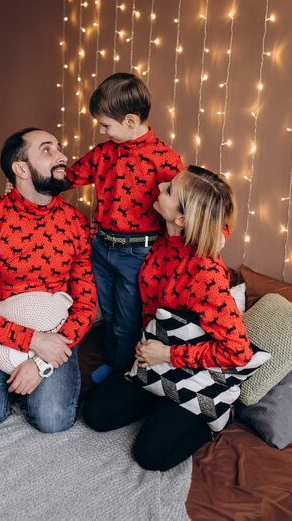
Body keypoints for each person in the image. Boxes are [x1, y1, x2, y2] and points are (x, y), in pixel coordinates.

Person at [83, 165, 253, 471]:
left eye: (169, 190)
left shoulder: (205, 276)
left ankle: (213, 418)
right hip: (153, 357)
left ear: (184, 219)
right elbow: (219, 223)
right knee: (96, 415)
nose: (160, 186)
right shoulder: (167, 233)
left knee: (150, 456)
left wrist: (169, 354)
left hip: (189, 365)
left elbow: (238, 352)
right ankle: (159, 395)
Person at [0, 128, 97, 435]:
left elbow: (86, 303)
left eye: (59, 148)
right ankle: (9, 384)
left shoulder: (76, 223)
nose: (62, 156)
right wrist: (33, 341)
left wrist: (41, 363)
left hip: (56, 332)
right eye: (47, 150)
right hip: (0, 332)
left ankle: (26, 383)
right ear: (21, 169)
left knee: (53, 420)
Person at [67, 73, 184, 382]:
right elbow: (70, 176)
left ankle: (121, 373)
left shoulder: (165, 159)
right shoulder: (104, 153)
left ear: (131, 121)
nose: (102, 131)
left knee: (128, 319)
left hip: (138, 253)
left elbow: (191, 203)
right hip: (102, 247)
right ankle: (112, 361)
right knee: (108, 313)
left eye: (106, 125)